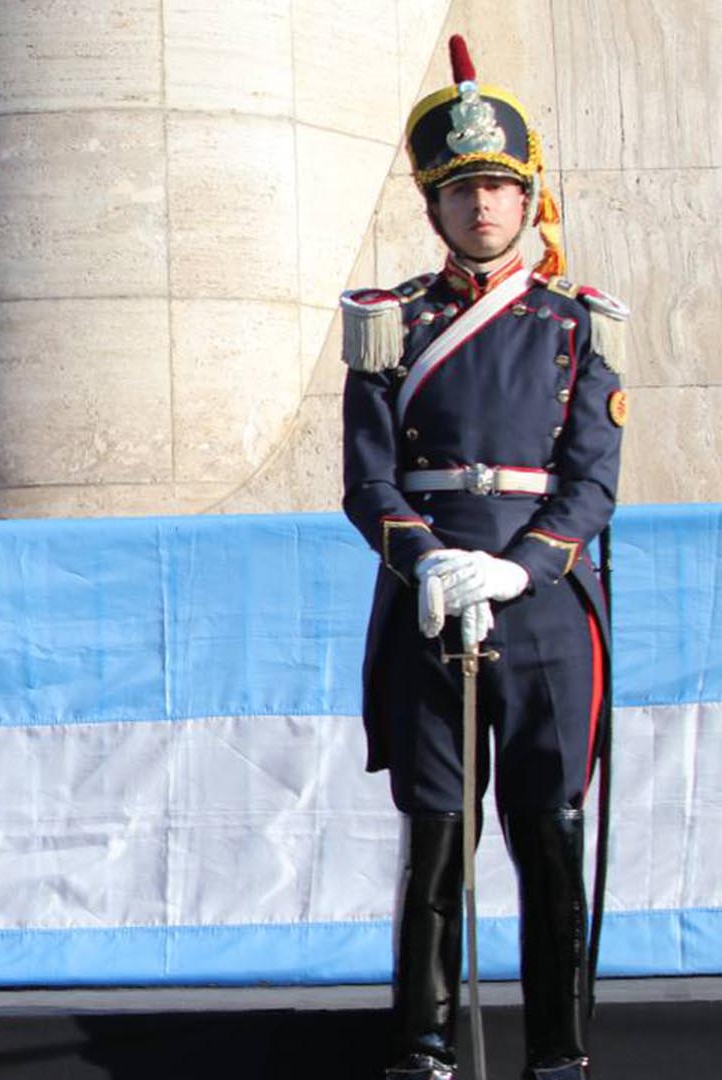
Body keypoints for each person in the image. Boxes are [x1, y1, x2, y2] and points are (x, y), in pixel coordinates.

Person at [339, 37, 625, 1080]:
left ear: (527, 196)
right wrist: (431, 566)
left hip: (541, 606)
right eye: (462, 190)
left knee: (548, 832)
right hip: (429, 603)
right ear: (434, 206)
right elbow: (368, 483)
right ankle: (423, 1042)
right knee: (438, 831)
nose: (483, 207)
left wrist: (521, 567)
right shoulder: (389, 326)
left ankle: (559, 1047)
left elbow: (593, 479)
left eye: (500, 187)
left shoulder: (578, 326)